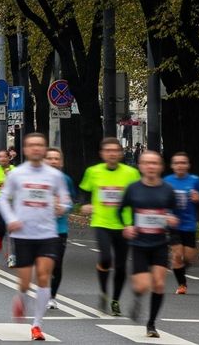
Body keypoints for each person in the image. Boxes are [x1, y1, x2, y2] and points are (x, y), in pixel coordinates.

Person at [0, 133, 71, 342]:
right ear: (25, 150)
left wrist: (61, 207)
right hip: (23, 234)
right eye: (32, 145)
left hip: (48, 233)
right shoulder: (17, 174)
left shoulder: (54, 176)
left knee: (44, 276)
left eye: (40, 145)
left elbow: (65, 201)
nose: (36, 149)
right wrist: (11, 219)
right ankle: (21, 297)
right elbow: (3, 200)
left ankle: (37, 325)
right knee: (25, 281)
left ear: (45, 149)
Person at [79, 135, 140, 315]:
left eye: (115, 151)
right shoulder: (93, 171)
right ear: (102, 154)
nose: (112, 154)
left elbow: (138, 196)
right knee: (106, 258)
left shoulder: (131, 173)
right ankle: (104, 291)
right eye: (108, 151)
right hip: (101, 222)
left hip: (124, 225)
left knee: (121, 266)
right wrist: (85, 204)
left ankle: (115, 299)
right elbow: (83, 191)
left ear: (121, 154)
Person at [120, 149, 177, 338]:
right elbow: (121, 210)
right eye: (147, 163)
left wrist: (171, 220)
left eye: (155, 163)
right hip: (139, 244)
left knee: (159, 284)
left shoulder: (167, 190)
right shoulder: (133, 188)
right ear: (141, 166)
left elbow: (173, 213)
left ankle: (151, 324)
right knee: (142, 286)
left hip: (160, 243)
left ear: (160, 167)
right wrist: (127, 226)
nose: (151, 166)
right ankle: (137, 298)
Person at [164, 151, 199, 295]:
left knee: (188, 258)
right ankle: (182, 284)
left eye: (183, 162)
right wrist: (167, 215)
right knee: (177, 255)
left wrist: (198, 199)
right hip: (174, 225)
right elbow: (160, 201)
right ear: (172, 165)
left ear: (188, 165)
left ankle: (179, 267)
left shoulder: (195, 180)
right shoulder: (167, 181)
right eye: (177, 163)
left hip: (189, 225)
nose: (180, 165)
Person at [44, 146, 77, 309]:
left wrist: (63, 207)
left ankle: (52, 296)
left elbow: (71, 202)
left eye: (56, 159)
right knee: (43, 263)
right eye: (50, 158)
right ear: (44, 160)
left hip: (59, 229)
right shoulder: (37, 179)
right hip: (39, 228)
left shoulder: (66, 180)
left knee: (56, 264)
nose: (53, 161)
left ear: (61, 162)